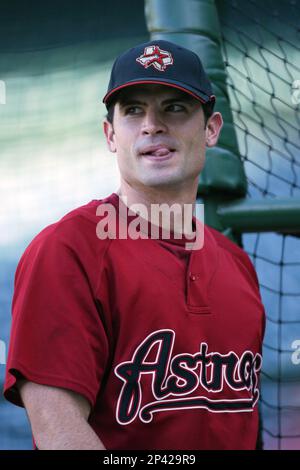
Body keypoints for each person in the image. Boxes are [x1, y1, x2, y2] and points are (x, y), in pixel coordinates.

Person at [3, 40, 265, 450]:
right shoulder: (67, 250)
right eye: (133, 110)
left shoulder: (236, 264)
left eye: (175, 107)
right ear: (111, 134)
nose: (152, 124)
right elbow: (59, 431)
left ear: (211, 128)